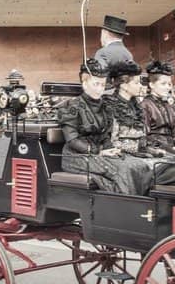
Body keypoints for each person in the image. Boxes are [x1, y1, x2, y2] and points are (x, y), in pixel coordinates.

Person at [57, 58, 152, 195]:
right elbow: (72, 141)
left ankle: (144, 209)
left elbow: (106, 135)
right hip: (76, 157)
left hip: (99, 153)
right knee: (122, 170)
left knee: (138, 165)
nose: (100, 89)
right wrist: (99, 151)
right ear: (84, 82)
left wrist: (110, 149)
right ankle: (125, 209)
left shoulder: (105, 106)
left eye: (102, 85)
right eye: (96, 84)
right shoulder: (71, 107)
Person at [104, 60, 150, 155]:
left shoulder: (137, 105)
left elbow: (143, 138)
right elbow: (111, 141)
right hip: (119, 155)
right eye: (137, 83)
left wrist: (149, 150)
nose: (141, 86)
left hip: (140, 154)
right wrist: (137, 150)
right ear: (124, 85)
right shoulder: (110, 105)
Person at [142, 60, 175, 153]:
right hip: (157, 151)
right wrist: (168, 148)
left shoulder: (167, 105)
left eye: (169, 84)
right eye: (163, 84)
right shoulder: (145, 105)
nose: (168, 87)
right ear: (151, 85)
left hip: (172, 149)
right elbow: (144, 136)